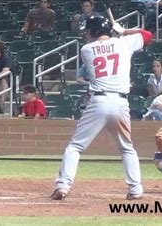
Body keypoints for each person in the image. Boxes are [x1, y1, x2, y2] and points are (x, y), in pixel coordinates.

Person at [50, 15, 152, 201]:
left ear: (95, 31)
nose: (86, 33)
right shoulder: (123, 43)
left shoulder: (87, 49)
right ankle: (136, 189)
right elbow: (147, 35)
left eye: (89, 30)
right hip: (121, 102)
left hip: (99, 101)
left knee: (75, 146)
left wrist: (118, 34)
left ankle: (63, 186)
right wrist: (124, 31)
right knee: (127, 148)